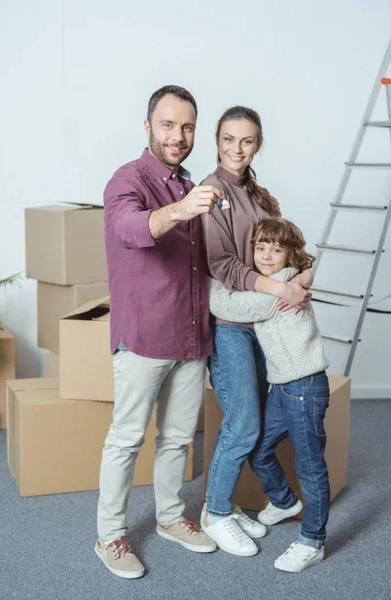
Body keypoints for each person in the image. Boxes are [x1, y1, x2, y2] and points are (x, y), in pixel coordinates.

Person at [95, 85, 222, 579]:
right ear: (147, 126)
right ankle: (109, 536)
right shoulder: (127, 180)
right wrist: (180, 211)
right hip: (144, 336)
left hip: (191, 335)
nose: (178, 135)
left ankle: (170, 518)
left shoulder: (191, 181)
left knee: (175, 439)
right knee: (126, 439)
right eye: (168, 125)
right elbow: (129, 229)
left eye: (187, 126)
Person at [199, 106, 312, 557]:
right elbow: (221, 265)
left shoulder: (260, 196)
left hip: (264, 323)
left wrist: (300, 279)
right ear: (217, 140)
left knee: (259, 422)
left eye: (246, 141)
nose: (236, 149)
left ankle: (268, 501)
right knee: (245, 424)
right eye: (228, 139)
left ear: (258, 144)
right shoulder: (210, 192)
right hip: (230, 325)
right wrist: (276, 285)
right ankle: (216, 513)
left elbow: (285, 250)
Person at [206, 217, 330, 573]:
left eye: (276, 249)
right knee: (259, 446)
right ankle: (283, 500)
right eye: (260, 247)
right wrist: (306, 274)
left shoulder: (275, 288)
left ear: (290, 254)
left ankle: (312, 541)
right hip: (283, 388)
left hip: (305, 387)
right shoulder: (288, 279)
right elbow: (310, 265)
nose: (266, 255)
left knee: (310, 467)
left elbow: (225, 306)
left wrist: (204, 272)